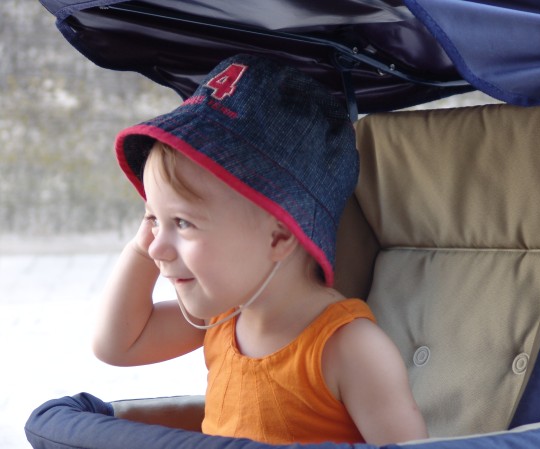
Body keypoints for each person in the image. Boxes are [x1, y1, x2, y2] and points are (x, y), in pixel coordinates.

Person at [92, 53, 427, 446]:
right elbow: (118, 345)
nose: (158, 249)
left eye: (182, 223)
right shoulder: (222, 317)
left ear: (279, 238)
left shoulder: (349, 348)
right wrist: (140, 246)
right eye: (152, 219)